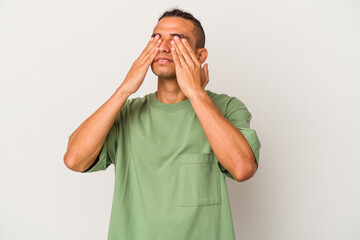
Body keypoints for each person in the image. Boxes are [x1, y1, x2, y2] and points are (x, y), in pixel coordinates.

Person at [64, 8, 261, 240]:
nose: (164, 47)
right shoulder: (127, 112)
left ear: (200, 55)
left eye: (178, 39)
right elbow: (74, 159)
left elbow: (243, 168)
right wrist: (124, 90)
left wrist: (197, 94)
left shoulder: (227, 108)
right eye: (157, 38)